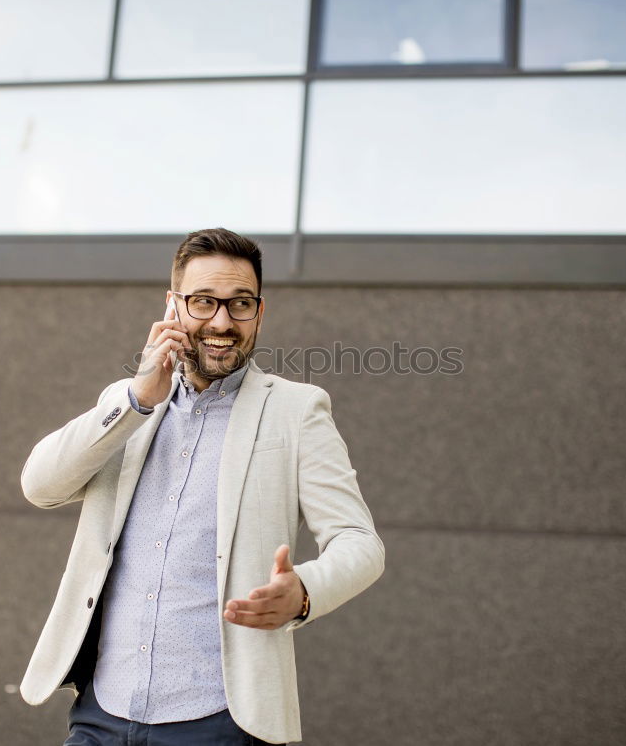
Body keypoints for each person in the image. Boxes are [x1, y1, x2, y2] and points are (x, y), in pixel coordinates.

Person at [19, 228, 384, 745]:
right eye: (203, 302)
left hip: (219, 722)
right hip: (101, 712)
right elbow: (40, 485)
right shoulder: (126, 406)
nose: (221, 321)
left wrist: (303, 593)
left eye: (239, 305)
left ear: (260, 313)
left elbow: (359, 541)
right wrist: (137, 398)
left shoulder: (296, 411)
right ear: (172, 306)